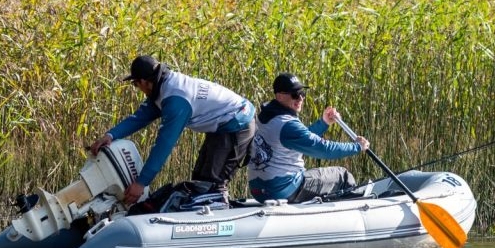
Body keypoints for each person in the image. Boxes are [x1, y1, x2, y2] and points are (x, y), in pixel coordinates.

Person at [89, 55, 256, 206]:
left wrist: (142, 183)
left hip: (237, 123)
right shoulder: (162, 87)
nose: (137, 88)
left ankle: (219, 217)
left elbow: (164, 144)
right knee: (199, 178)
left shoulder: (176, 100)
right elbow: (140, 117)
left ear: (145, 82)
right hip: (222, 124)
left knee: (212, 182)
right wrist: (111, 135)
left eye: (135, 84)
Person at [248, 72, 369, 203]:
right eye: (295, 95)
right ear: (280, 96)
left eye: (302, 93)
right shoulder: (287, 124)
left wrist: (323, 123)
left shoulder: (265, 115)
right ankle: (357, 211)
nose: (300, 98)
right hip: (282, 189)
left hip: (258, 190)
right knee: (342, 176)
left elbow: (301, 138)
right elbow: (323, 149)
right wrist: (357, 146)